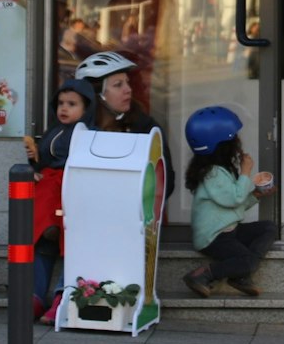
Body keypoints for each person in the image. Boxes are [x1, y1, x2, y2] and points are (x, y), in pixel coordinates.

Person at [179, 105, 275, 298]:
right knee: (247, 260)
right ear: (223, 144)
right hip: (214, 237)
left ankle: (239, 272)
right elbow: (234, 198)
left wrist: (256, 195)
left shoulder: (220, 170)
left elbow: (233, 204)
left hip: (229, 230)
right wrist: (246, 171)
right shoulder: (213, 173)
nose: (239, 143)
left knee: (268, 228)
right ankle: (204, 275)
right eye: (234, 139)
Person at [22, 78, 94, 322]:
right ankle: (34, 297)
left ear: (87, 108)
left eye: (72, 104)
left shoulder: (90, 135)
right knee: (43, 244)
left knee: (71, 247)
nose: (64, 108)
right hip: (51, 197)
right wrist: (34, 163)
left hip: (73, 195)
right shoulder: (54, 131)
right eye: (61, 103)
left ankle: (62, 298)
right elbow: (45, 162)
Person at [75, 50, 176, 198]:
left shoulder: (144, 127)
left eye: (127, 83)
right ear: (97, 93)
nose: (128, 90)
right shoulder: (78, 129)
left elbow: (165, 182)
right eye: (118, 85)